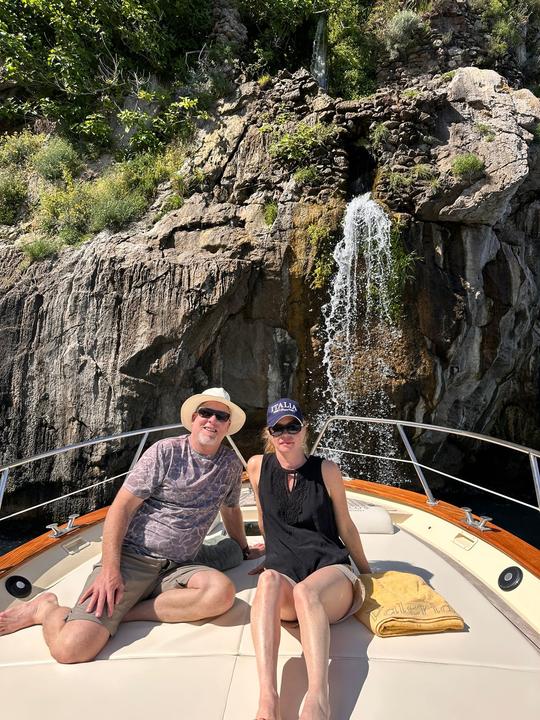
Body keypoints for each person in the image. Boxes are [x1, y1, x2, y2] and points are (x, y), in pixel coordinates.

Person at [0, 387, 263, 663]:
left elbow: (231, 508)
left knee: (222, 592)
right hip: (134, 559)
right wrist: (110, 571)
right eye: (206, 413)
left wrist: (244, 548)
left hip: (183, 562)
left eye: (220, 416)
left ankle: (126, 611)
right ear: (194, 418)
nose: (212, 421)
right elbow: (120, 509)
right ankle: (45, 610)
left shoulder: (231, 464)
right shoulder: (166, 451)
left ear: (228, 425)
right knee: (70, 650)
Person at [247, 398, 371, 720]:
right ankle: (268, 699)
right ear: (269, 433)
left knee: (307, 592)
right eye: (278, 428)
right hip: (286, 573)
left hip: (330, 574)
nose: (285, 434)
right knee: (268, 579)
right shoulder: (257, 466)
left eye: (292, 426)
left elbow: (344, 525)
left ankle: (319, 696)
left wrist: (368, 573)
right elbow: (263, 518)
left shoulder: (326, 470)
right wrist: (269, 553)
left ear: (304, 430)